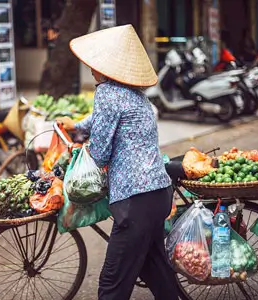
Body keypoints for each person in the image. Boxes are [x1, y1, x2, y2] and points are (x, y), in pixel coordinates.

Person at [57, 24, 178, 300]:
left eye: (95, 63)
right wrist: (77, 125)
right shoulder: (135, 96)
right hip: (158, 194)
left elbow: (99, 153)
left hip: (135, 201)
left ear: (106, 67)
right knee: (156, 268)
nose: (90, 68)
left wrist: (82, 149)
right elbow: (104, 121)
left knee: (112, 283)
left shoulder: (107, 94)